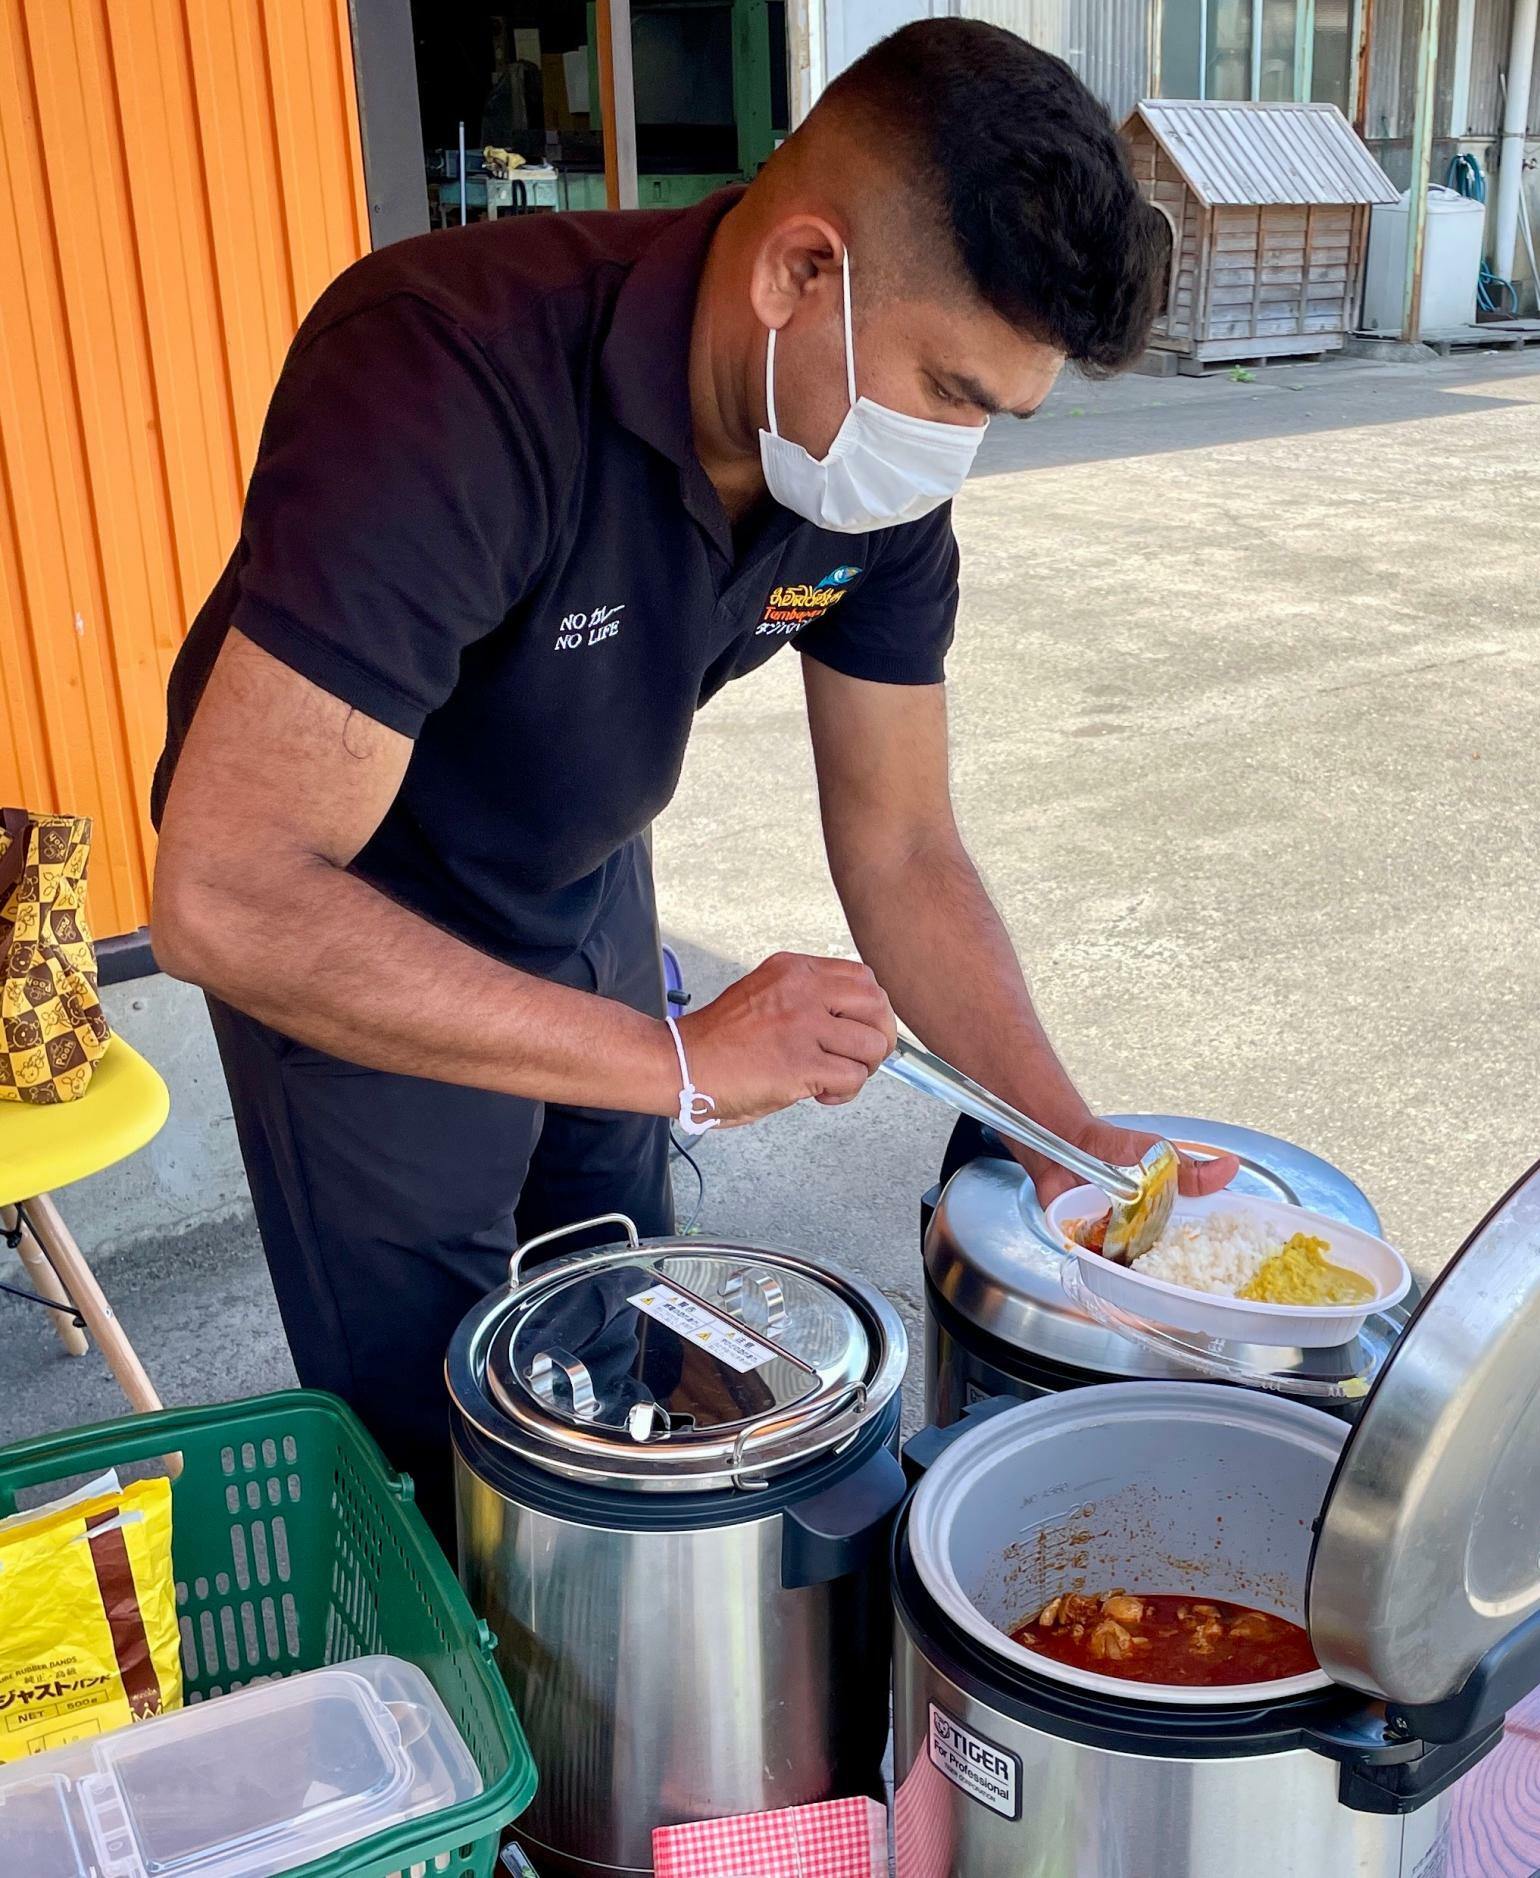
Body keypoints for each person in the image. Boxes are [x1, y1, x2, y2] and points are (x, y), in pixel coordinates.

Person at [149, 19, 1233, 1532]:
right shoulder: (448, 374)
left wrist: (1069, 1138)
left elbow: (906, 841)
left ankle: (631, 1692)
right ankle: (494, 1718)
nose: (954, 448)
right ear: (799, 274)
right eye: (953, 388)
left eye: (997, 410)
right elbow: (224, 893)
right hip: (356, 913)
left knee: (613, 1308)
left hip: (582, 871)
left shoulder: (869, 473)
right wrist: (682, 1060)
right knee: (447, 1431)